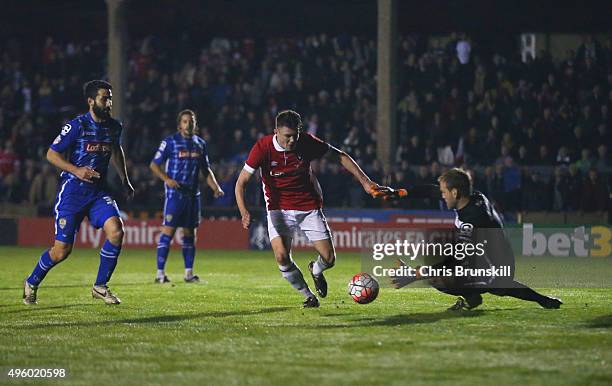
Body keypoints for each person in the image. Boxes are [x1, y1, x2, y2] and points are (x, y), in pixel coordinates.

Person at [235, 110, 385, 308]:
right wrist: (244, 211)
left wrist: (365, 182)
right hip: (278, 209)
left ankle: (316, 270)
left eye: (295, 135)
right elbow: (241, 183)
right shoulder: (262, 147)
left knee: (329, 259)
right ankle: (308, 295)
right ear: (276, 132)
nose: (292, 140)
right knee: (281, 256)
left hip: (308, 207)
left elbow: (340, 156)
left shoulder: (306, 142)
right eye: (287, 136)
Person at [379, 168, 562, 310]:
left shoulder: (472, 221)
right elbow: (431, 191)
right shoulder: (473, 196)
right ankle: (477, 295)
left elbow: (457, 260)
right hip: (483, 256)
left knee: (442, 276)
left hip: (495, 266)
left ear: (455, 193)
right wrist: (399, 192)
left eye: (444, 192)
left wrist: (418, 274)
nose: (441, 196)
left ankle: (474, 296)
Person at [23, 80, 134, 305]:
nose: (109, 102)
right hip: (72, 193)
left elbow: (116, 149)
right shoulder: (77, 126)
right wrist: (77, 170)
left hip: (98, 192)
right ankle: (32, 281)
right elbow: (51, 154)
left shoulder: (114, 126)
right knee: (61, 251)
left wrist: (124, 178)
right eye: (105, 98)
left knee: (116, 231)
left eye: (110, 97)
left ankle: (100, 286)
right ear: (91, 101)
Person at [150, 109, 224, 283]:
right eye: (185, 121)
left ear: (195, 124)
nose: (188, 124)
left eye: (191, 121)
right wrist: (167, 179)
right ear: (179, 124)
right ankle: (160, 274)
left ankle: (188, 274)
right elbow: (154, 165)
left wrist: (215, 187)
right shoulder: (170, 142)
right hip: (175, 196)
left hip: (193, 196)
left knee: (190, 234)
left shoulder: (200, 144)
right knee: (168, 232)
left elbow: (206, 170)